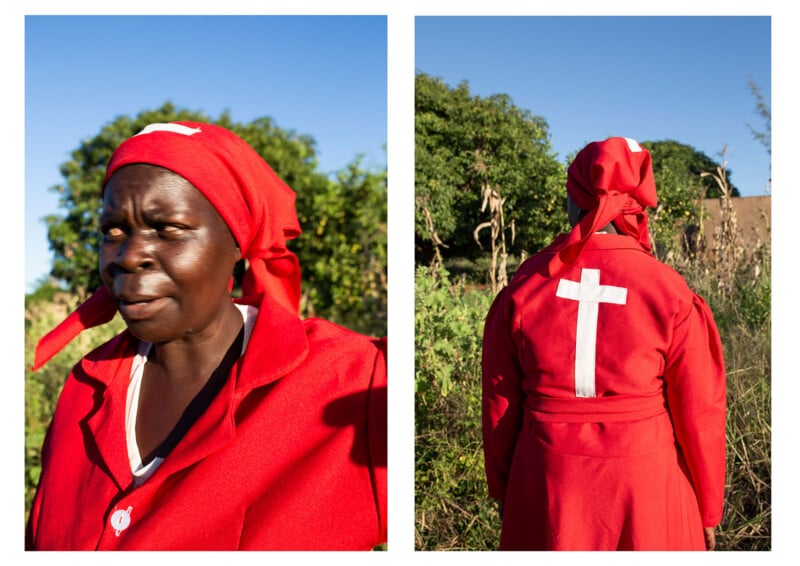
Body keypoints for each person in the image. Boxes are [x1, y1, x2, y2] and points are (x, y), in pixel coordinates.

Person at [26, 121, 387, 551]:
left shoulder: (357, 381)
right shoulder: (84, 389)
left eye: (169, 228)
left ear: (236, 242)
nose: (129, 255)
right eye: (113, 231)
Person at [481, 136, 726, 551]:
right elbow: (700, 411)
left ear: (575, 198)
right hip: (646, 484)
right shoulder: (670, 292)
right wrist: (708, 509)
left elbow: (500, 405)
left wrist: (504, 488)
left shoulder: (525, 287)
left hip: (546, 480)